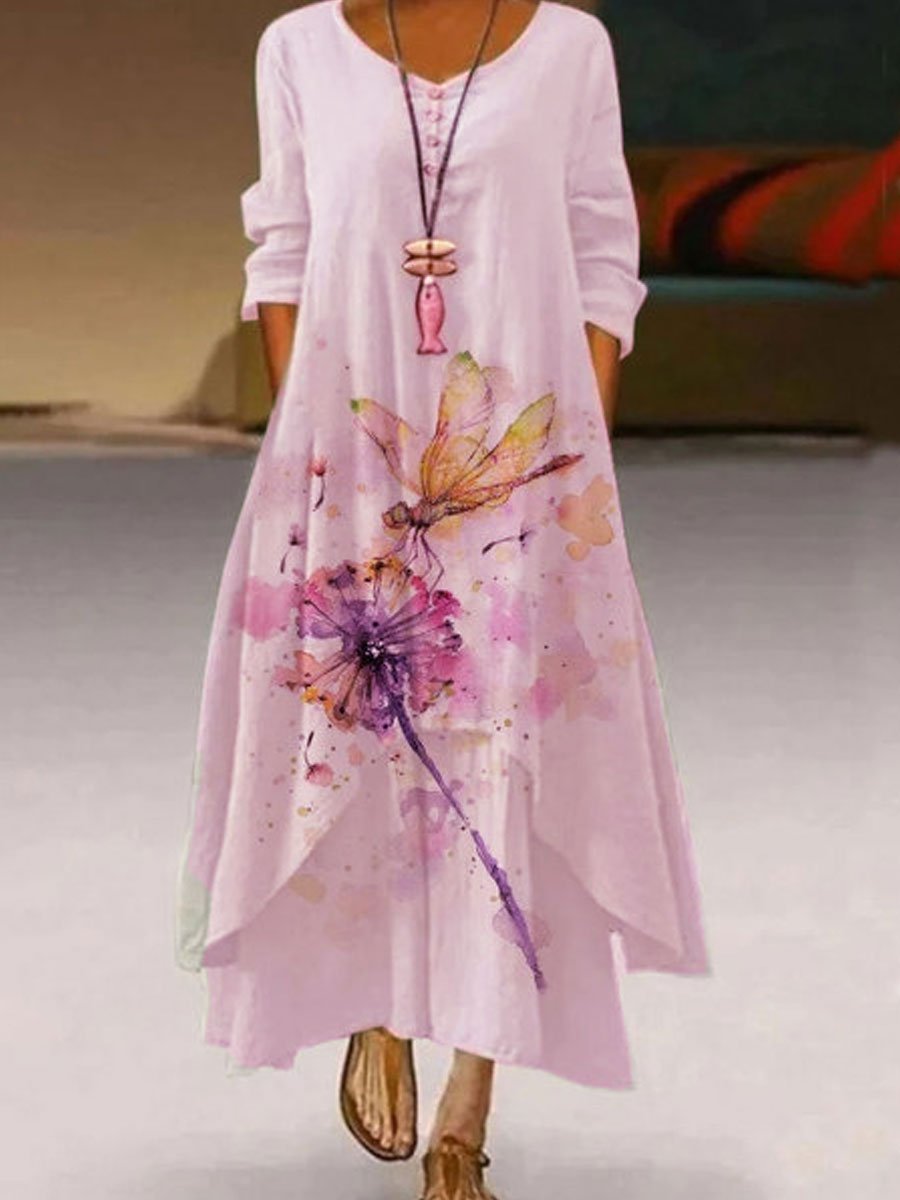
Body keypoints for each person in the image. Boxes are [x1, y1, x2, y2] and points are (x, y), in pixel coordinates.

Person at [175, 3, 711, 1197]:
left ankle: (466, 1114)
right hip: (350, 449)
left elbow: (601, 254)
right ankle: (375, 999)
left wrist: (571, 458)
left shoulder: (569, 47)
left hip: (517, 455)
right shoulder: (298, 49)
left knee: (502, 750)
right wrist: (311, 451)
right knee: (356, 731)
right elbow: (283, 250)